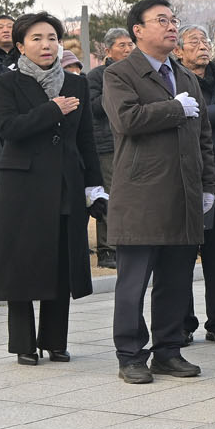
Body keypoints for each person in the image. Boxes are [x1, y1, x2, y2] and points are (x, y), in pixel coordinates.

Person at [104, 0, 215, 385]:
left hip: (183, 194)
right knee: (133, 283)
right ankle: (130, 355)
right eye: (162, 20)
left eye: (174, 20)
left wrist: (208, 185)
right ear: (138, 30)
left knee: (175, 280)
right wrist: (174, 109)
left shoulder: (185, 77)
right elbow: (127, 120)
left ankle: (168, 350)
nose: (172, 27)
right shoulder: (120, 74)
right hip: (141, 195)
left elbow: (203, 137)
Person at [0, 12, 102, 363]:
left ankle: (55, 340)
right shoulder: (4, 83)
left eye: (52, 38)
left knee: (61, 262)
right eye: (36, 38)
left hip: (66, 182)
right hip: (22, 185)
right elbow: (8, 130)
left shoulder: (76, 84)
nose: (46, 45)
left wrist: (95, 185)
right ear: (21, 46)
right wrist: (52, 110)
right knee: (21, 262)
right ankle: (23, 343)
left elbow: (86, 139)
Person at [178, 25, 215, 345]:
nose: (203, 46)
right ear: (178, 50)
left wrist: (197, 112)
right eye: (194, 42)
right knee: (183, 257)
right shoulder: (173, 77)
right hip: (187, 177)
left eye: (205, 40)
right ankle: (184, 323)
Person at [87, 27, 133, 269]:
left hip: (133, 141)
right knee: (111, 196)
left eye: (130, 45)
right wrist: (116, 87)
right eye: (121, 45)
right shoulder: (97, 76)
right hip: (107, 144)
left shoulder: (136, 72)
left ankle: (129, 244)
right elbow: (94, 107)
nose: (127, 49)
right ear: (108, 50)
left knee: (132, 196)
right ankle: (107, 249)